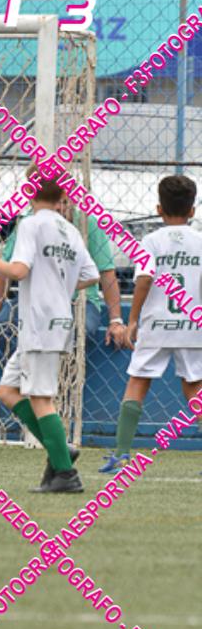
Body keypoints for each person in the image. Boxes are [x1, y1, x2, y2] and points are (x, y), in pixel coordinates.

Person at [0, 175, 99, 492]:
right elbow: (92, 274)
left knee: (41, 398)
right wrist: (60, 285)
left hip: (40, 321)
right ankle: (60, 450)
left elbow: (19, 270)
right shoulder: (70, 230)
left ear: (29, 192)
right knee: (7, 391)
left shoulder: (31, 224)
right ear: (61, 196)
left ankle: (66, 475)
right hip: (56, 319)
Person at [99, 174, 202, 472]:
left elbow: (144, 279)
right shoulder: (200, 241)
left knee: (138, 382)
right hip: (192, 325)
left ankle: (121, 454)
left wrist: (132, 320)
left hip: (157, 324)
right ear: (192, 210)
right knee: (194, 388)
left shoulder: (151, 241)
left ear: (158, 209)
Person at [0, 200, 124, 347]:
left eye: (63, 201)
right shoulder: (27, 222)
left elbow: (105, 273)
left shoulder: (87, 223)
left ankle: (52, 360)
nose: (59, 206)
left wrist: (115, 320)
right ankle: (30, 358)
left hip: (79, 300)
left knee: (80, 330)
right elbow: (6, 270)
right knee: (0, 327)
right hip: (33, 298)